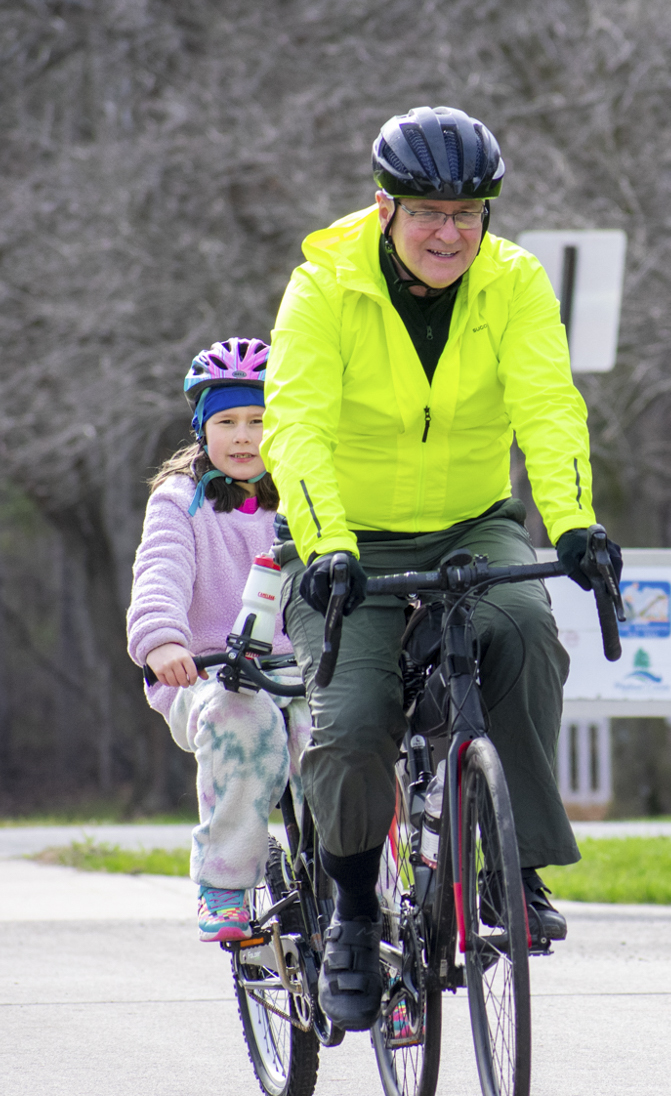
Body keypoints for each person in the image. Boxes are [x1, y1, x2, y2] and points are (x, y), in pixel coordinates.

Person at [262, 104, 620, 1030]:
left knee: (528, 632)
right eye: (428, 211)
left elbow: (548, 402)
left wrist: (575, 522)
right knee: (350, 722)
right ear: (384, 207)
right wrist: (328, 545)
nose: (450, 232)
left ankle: (514, 869)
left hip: (472, 521)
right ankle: (348, 908)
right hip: (348, 539)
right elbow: (294, 427)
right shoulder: (323, 289)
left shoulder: (516, 283)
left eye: (470, 213)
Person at [126, 338, 305, 942]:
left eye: (259, 420)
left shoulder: (309, 495)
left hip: (304, 671)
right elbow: (160, 572)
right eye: (227, 421)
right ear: (203, 430)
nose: (244, 436)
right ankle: (225, 881)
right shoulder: (180, 502)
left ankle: (375, 902)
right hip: (207, 676)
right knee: (245, 724)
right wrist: (161, 640)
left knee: (347, 743)